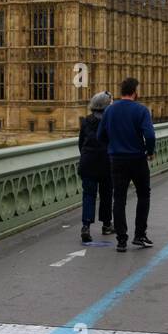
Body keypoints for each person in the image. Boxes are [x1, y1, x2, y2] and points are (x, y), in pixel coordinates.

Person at [97, 77, 156, 252]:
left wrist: (113, 146)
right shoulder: (141, 110)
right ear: (135, 92)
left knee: (119, 198)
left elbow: (100, 136)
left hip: (117, 159)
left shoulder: (109, 111)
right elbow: (150, 135)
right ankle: (139, 235)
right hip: (137, 158)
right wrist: (149, 150)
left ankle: (121, 240)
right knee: (143, 195)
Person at [77, 91, 114, 243]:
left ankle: (86, 226)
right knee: (106, 195)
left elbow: (81, 143)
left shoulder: (86, 121)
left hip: (88, 163)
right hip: (106, 163)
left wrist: (86, 156)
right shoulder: (111, 121)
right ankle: (106, 225)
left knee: (88, 195)